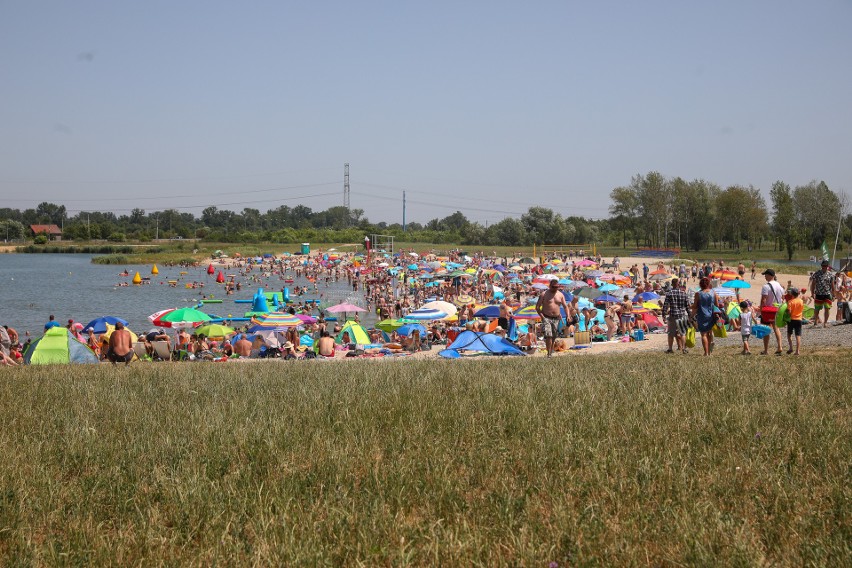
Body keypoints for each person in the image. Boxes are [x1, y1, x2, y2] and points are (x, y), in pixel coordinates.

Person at [535, 279, 569, 358]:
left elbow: (565, 306)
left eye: (557, 287)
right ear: (550, 286)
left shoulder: (560, 295)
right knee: (548, 335)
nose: (555, 288)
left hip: (556, 318)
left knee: (553, 335)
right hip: (546, 317)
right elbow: (537, 307)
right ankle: (549, 354)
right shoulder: (544, 294)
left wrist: (568, 315)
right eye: (553, 287)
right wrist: (542, 317)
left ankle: (550, 350)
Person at [759, 268, 785, 355]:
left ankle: (766, 350)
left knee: (766, 329)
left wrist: (761, 310)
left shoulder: (766, 286)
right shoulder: (780, 286)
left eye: (765, 275)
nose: (765, 277)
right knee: (776, 328)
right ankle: (780, 346)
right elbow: (783, 298)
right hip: (777, 309)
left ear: (770, 275)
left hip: (768, 310)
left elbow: (763, 300)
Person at [661, 277, 690, 354]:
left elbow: (665, 305)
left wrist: (663, 315)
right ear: (678, 284)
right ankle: (684, 348)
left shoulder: (669, 293)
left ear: (672, 284)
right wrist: (690, 315)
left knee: (670, 333)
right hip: (681, 315)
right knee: (682, 333)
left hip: (672, 315)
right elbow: (687, 306)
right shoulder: (683, 293)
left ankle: (670, 349)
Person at [692, 277, 718, 356]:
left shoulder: (698, 294)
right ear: (708, 284)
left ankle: (706, 352)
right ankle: (709, 352)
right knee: (709, 333)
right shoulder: (713, 293)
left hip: (701, 315)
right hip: (711, 316)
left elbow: (695, 306)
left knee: (703, 334)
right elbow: (717, 305)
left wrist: (691, 309)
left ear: (700, 285)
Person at [809, 260, 835, 327]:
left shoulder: (830, 274)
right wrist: (812, 293)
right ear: (821, 266)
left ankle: (825, 323)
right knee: (817, 309)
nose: (824, 267)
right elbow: (813, 284)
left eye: (825, 266)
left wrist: (834, 294)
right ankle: (815, 322)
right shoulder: (817, 273)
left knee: (827, 308)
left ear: (827, 266)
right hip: (818, 294)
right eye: (823, 266)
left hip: (827, 294)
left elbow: (832, 285)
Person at [786, 288, 804, 355]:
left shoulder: (790, 301)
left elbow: (789, 312)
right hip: (799, 319)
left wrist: (786, 311)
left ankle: (791, 348)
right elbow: (802, 309)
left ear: (792, 294)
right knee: (798, 335)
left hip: (791, 319)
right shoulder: (801, 301)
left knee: (789, 334)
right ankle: (797, 351)